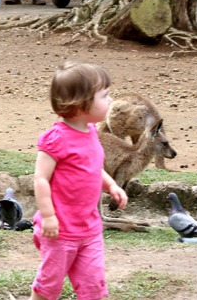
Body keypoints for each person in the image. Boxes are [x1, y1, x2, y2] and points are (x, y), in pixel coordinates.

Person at [31, 61, 128, 300]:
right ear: (81, 103)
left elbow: (93, 167)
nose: (111, 100)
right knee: (48, 286)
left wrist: (111, 185)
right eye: (104, 95)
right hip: (59, 231)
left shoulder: (92, 131)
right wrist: (48, 216)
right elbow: (41, 179)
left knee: (94, 287)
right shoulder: (56, 139)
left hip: (89, 229)